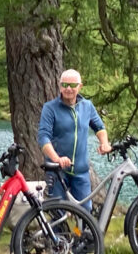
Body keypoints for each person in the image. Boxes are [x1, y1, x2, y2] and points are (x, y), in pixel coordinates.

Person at [38, 69, 111, 210]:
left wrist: (105, 143)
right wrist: (56, 159)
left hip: (81, 171)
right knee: (58, 212)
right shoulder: (50, 108)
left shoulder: (87, 106)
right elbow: (43, 137)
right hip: (57, 171)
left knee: (85, 211)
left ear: (80, 86)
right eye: (64, 85)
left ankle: (81, 233)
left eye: (72, 85)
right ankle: (58, 233)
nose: (68, 89)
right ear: (59, 86)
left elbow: (99, 127)